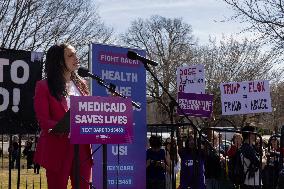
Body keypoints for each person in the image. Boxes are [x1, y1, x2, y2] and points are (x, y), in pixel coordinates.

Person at [33, 44, 93, 189]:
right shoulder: (44, 86)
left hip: (83, 147)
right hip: (58, 148)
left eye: (75, 54)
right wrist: (67, 126)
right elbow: (43, 120)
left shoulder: (82, 84)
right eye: (71, 55)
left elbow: (89, 111)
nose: (76, 59)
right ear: (59, 61)